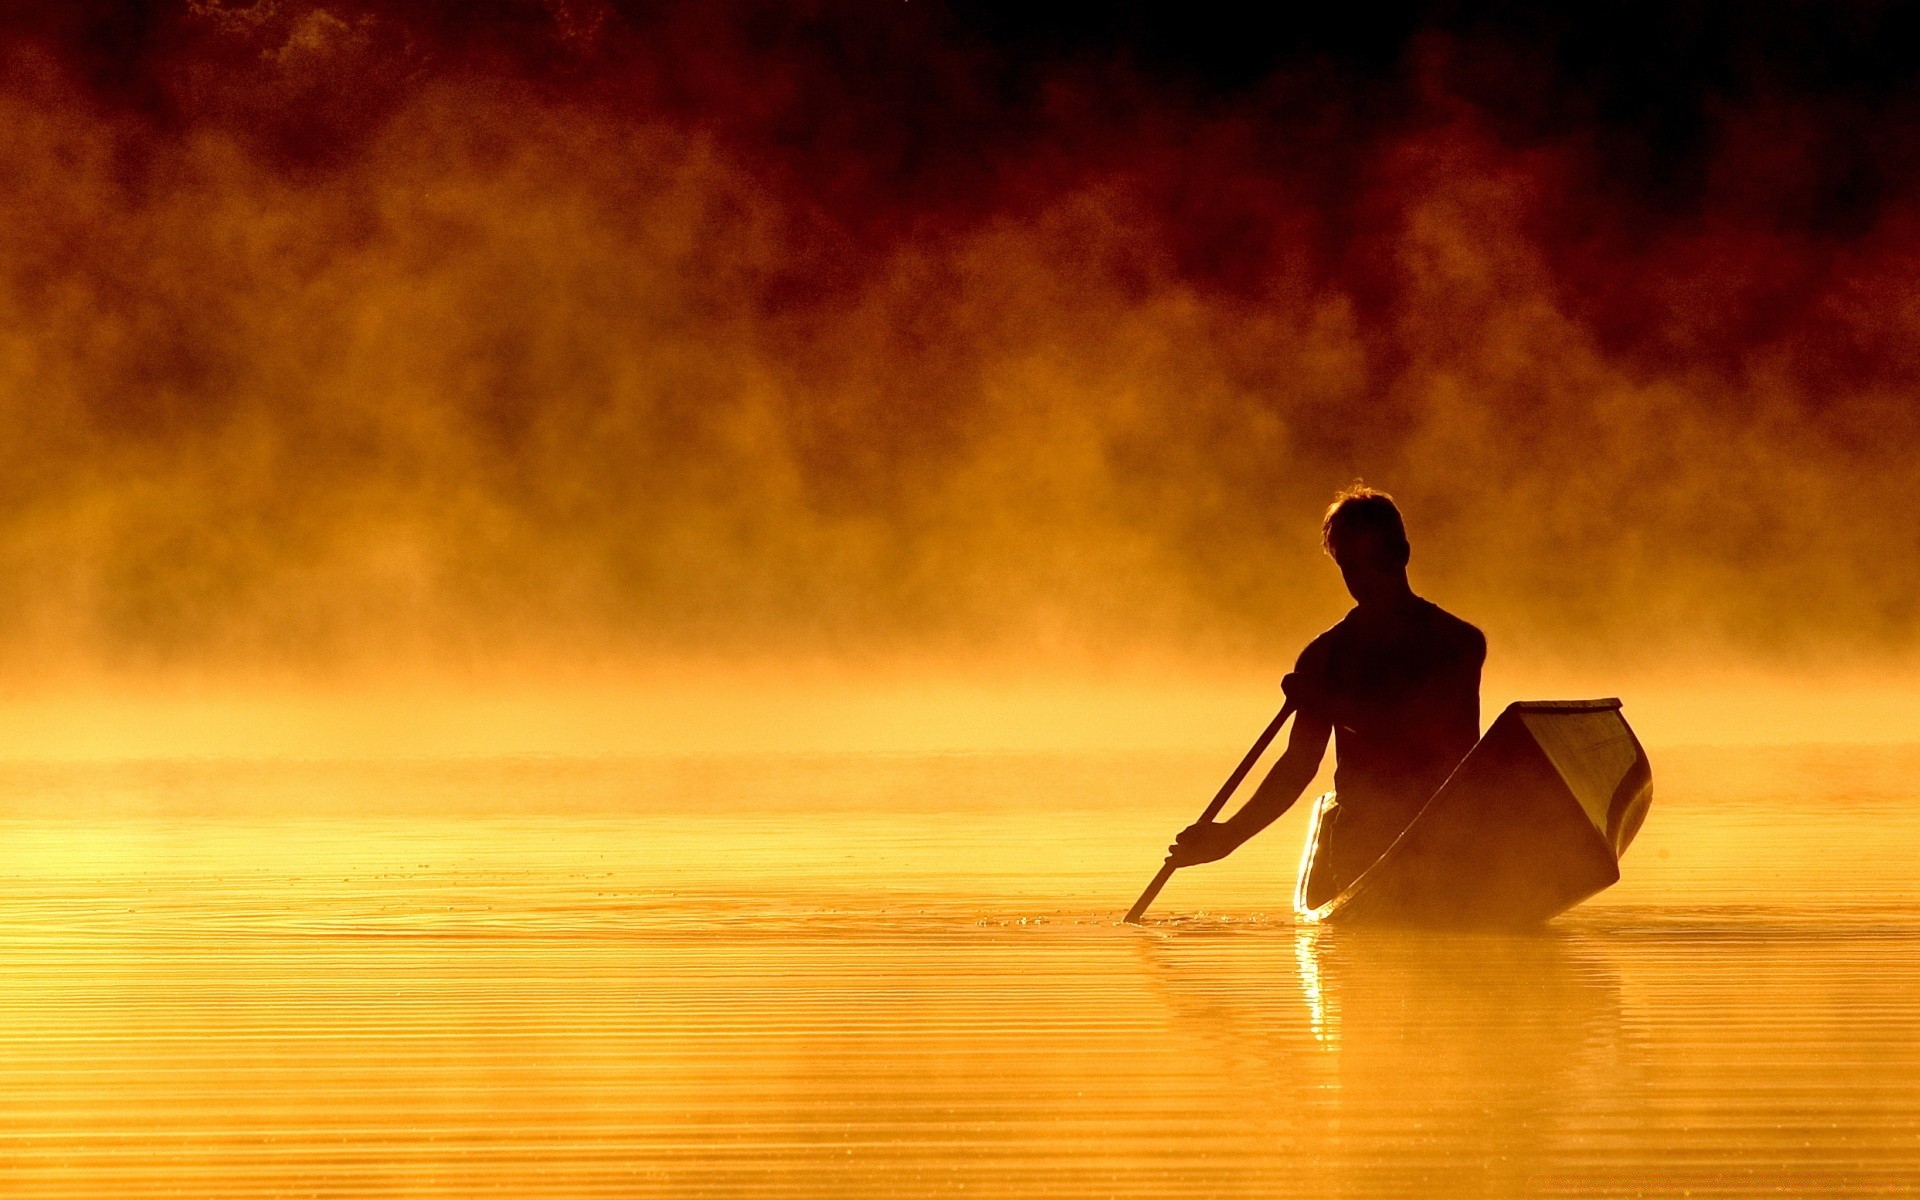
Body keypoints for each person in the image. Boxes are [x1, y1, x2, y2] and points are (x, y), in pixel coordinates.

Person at [1168, 485, 1486, 908]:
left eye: (1374, 562)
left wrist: (1326, 703)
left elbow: (1427, 731)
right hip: (1364, 842)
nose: (1363, 579)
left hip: (1450, 838)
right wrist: (1229, 836)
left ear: (1402, 554)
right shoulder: (1324, 657)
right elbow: (1298, 765)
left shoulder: (1457, 642)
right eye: (1350, 567)